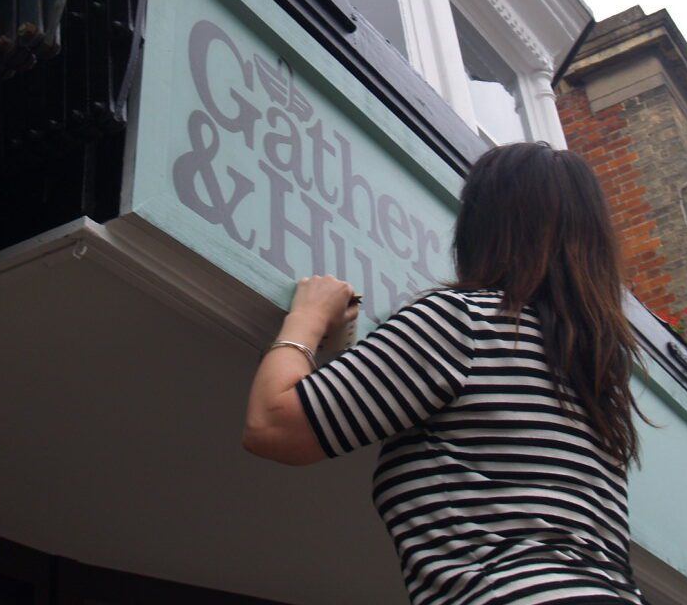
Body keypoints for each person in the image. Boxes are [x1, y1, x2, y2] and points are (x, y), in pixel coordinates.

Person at [243, 141, 646, 605]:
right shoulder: (595, 378)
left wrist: (308, 317)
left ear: (481, 227)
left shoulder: (466, 322)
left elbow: (273, 425)